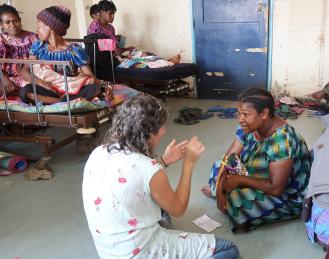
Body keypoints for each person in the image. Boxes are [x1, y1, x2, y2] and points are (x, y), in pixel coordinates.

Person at [82, 95, 239, 259]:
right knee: (229, 249)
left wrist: (163, 161)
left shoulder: (99, 152)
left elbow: (136, 180)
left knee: (162, 210)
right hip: (141, 251)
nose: (164, 130)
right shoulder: (149, 168)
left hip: (110, 251)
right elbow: (178, 209)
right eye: (161, 127)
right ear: (149, 134)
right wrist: (189, 163)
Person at [201, 88, 311, 232]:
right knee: (218, 167)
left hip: (286, 194)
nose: (240, 119)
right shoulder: (248, 126)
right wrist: (221, 189)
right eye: (239, 113)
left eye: (245, 114)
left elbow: (276, 188)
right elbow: (229, 159)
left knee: (238, 201)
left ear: (264, 113)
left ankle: (231, 202)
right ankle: (223, 194)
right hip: (257, 175)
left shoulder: (282, 141)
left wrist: (239, 180)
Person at [19, 6, 112, 105]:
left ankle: (61, 101)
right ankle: (64, 102)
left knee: (94, 88)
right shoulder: (38, 46)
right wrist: (42, 83)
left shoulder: (74, 50)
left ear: (51, 27)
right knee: (25, 91)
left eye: (39, 25)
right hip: (48, 90)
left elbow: (90, 76)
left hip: (70, 90)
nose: (37, 30)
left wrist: (105, 88)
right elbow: (25, 71)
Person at [88, 0, 180, 65]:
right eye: (110, 13)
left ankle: (166, 62)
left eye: (113, 14)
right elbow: (98, 52)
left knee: (147, 54)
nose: (113, 16)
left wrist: (127, 49)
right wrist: (121, 57)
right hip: (110, 60)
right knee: (143, 58)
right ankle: (167, 62)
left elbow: (116, 48)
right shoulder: (95, 27)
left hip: (118, 56)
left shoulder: (111, 28)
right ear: (101, 12)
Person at [0, 4, 38, 97]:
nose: (12, 25)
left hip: (30, 77)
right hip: (6, 79)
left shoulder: (33, 38)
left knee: (31, 91)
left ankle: (22, 94)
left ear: (20, 20)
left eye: (15, 21)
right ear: (1, 25)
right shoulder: (1, 40)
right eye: (7, 22)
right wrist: (4, 79)